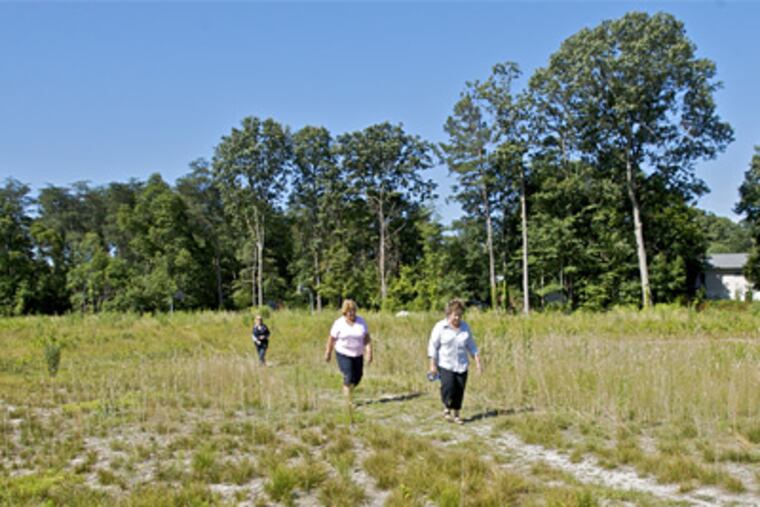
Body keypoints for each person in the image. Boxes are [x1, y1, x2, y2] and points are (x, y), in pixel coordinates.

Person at [427, 299, 482, 424]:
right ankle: (447, 408)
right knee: (448, 387)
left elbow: (471, 345)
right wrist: (432, 364)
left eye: (459, 315)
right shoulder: (440, 327)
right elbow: (433, 346)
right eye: (455, 315)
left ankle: (457, 414)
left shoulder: (465, 327)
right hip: (445, 363)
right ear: (448, 314)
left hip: (462, 364)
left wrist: (477, 361)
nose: (457, 318)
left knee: (459, 389)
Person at [324, 299, 373, 404]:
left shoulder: (361, 321)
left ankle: (348, 388)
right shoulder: (339, 323)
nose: (351, 313)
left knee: (358, 376)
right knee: (349, 375)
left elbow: (366, 338)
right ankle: (348, 403)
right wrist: (328, 352)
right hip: (343, 353)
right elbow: (331, 338)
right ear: (344, 312)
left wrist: (369, 352)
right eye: (349, 311)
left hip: (358, 353)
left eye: (353, 310)